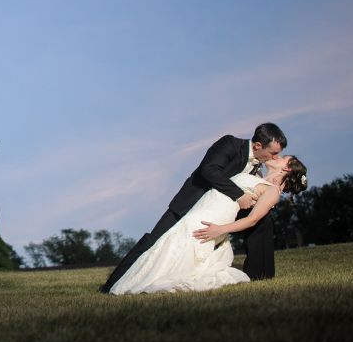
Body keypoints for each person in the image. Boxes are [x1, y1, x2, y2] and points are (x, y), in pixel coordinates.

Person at [99, 123, 287, 293]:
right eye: (273, 153)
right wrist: (239, 195)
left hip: (223, 209)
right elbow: (209, 170)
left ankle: (260, 276)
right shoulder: (229, 144)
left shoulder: (258, 166)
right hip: (194, 201)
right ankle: (112, 285)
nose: (275, 157)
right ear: (257, 146)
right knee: (154, 241)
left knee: (263, 223)